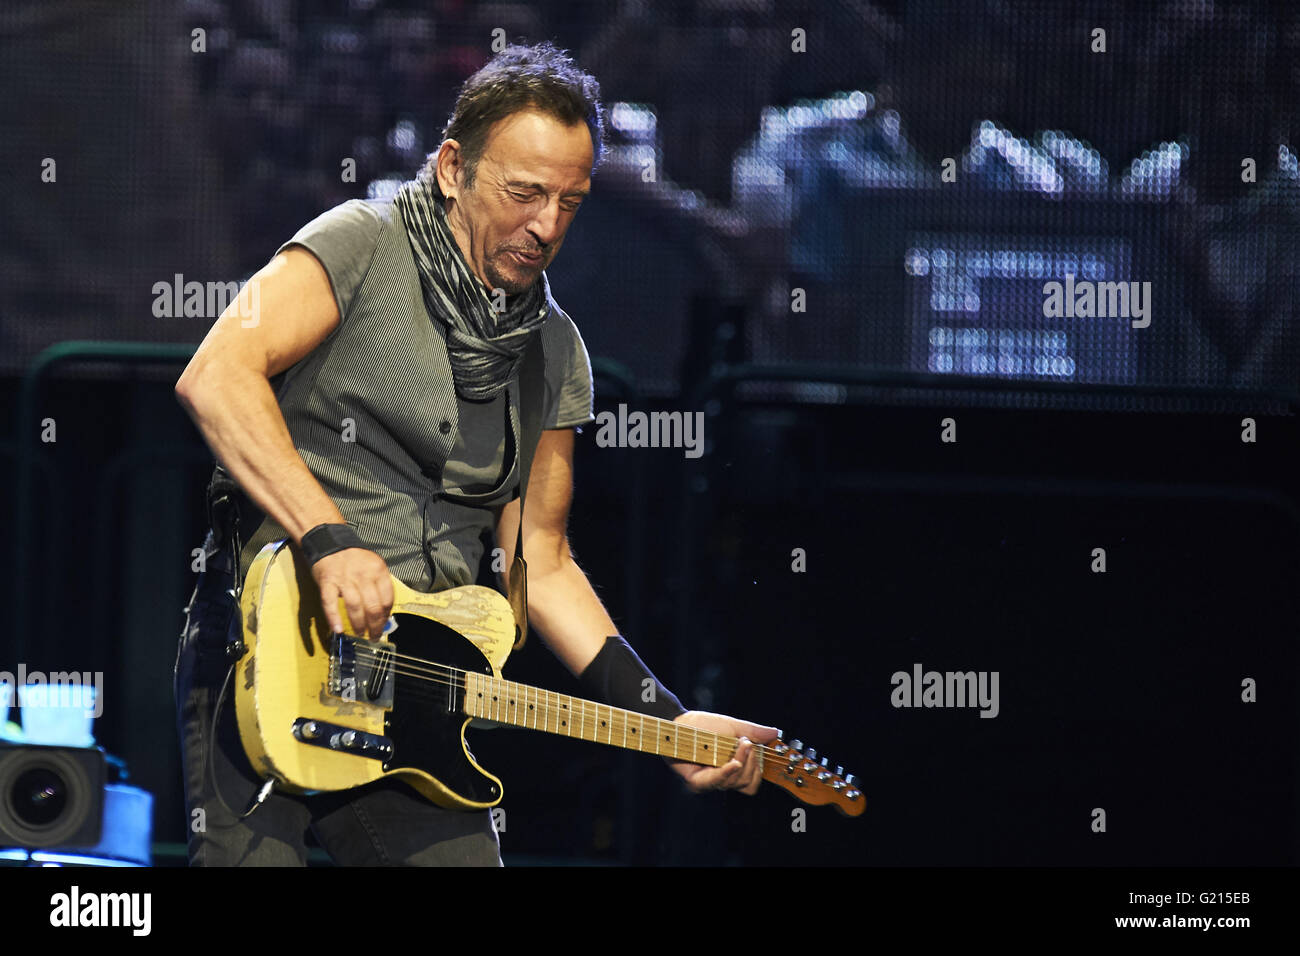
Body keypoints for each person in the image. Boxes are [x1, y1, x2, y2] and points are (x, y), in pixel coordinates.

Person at [172, 41, 777, 866]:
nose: (546, 226)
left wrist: (663, 721)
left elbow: (544, 562)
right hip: (271, 645)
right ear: (454, 167)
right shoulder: (359, 243)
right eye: (524, 193)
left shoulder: (554, 354)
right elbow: (217, 376)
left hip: (419, 693)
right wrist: (328, 535)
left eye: (570, 202)